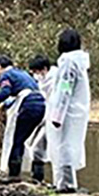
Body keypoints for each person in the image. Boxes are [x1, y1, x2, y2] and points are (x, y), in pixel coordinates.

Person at [0, 55, 46, 183]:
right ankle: (34, 175)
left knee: (16, 140)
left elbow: (5, 92)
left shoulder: (6, 75)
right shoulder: (22, 73)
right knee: (26, 140)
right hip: (41, 106)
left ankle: (13, 175)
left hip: (28, 105)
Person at [47, 28, 91, 193]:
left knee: (64, 146)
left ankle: (66, 184)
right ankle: (64, 182)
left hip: (67, 112)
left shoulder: (68, 62)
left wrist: (57, 115)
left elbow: (65, 88)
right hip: (77, 111)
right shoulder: (79, 62)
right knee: (70, 145)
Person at [26, 54, 59, 184]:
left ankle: (40, 180)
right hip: (43, 115)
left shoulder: (56, 78)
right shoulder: (41, 80)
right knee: (35, 148)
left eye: (36, 71)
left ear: (44, 69)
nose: (35, 75)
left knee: (38, 149)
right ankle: (37, 180)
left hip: (53, 117)